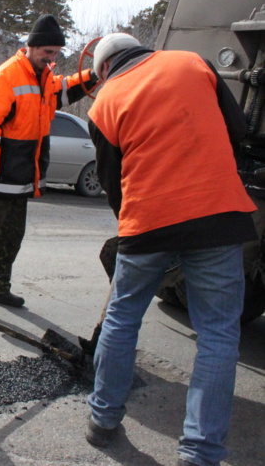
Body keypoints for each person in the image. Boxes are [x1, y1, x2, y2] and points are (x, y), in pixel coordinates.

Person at [83, 33, 256, 466]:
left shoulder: (103, 104)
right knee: (218, 333)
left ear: (105, 70)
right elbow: (239, 131)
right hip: (218, 215)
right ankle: (200, 452)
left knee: (123, 319)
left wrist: (131, 230)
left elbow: (111, 181)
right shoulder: (192, 63)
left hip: (148, 225)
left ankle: (102, 421)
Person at [0, 14, 96, 313]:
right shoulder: (6, 77)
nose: (51, 58)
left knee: (10, 238)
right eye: (47, 53)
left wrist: (94, 75)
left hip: (23, 177)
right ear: (31, 46)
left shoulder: (44, 80)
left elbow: (64, 91)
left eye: (55, 53)